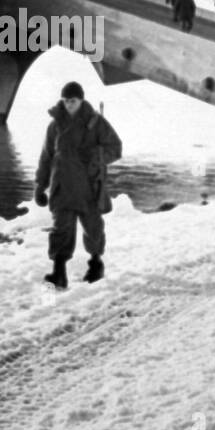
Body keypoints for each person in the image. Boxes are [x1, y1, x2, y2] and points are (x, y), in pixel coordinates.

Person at [35, 81, 123, 288]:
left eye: (72, 101)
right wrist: (40, 185)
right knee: (60, 230)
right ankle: (59, 273)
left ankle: (95, 264)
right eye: (65, 101)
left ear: (81, 100)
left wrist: (96, 155)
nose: (68, 105)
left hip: (89, 186)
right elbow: (46, 157)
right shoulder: (55, 124)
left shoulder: (96, 122)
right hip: (62, 186)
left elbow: (116, 149)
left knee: (93, 228)